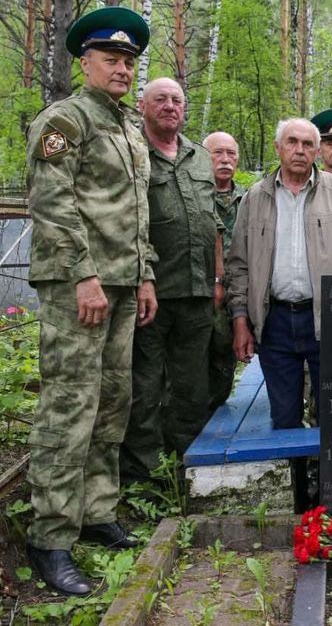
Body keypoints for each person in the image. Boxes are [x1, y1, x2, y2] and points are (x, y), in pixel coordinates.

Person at [24, 6, 158, 595]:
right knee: (70, 405)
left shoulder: (128, 128)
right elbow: (53, 204)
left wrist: (145, 274)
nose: (123, 68)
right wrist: (82, 276)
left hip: (124, 284)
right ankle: (51, 536)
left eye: (129, 60)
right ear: (85, 62)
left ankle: (97, 512)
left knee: (112, 401)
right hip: (80, 287)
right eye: (111, 59)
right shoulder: (66, 121)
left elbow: (134, 213)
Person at [226, 118, 332, 427]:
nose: (299, 150)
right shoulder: (255, 197)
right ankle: (296, 475)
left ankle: (329, 476)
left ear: (317, 151)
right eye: (292, 142)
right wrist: (240, 321)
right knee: (284, 416)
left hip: (327, 317)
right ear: (278, 148)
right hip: (274, 321)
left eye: (307, 144)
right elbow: (238, 265)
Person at [120, 79, 224, 487]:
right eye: (160, 100)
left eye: (176, 100)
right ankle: (144, 476)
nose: (169, 107)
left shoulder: (200, 157)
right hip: (152, 292)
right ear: (142, 105)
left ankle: (188, 468)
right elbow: (129, 221)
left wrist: (217, 278)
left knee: (192, 386)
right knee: (145, 386)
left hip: (198, 294)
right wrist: (141, 278)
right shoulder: (133, 153)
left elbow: (212, 222)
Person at [204, 131, 245, 410]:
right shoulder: (196, 196)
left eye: (231, 154)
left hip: (236, 294)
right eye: (217, 153)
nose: (225, 160)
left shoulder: (249, 197)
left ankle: (217, 414)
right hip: (198, 292)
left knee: (223, 362)